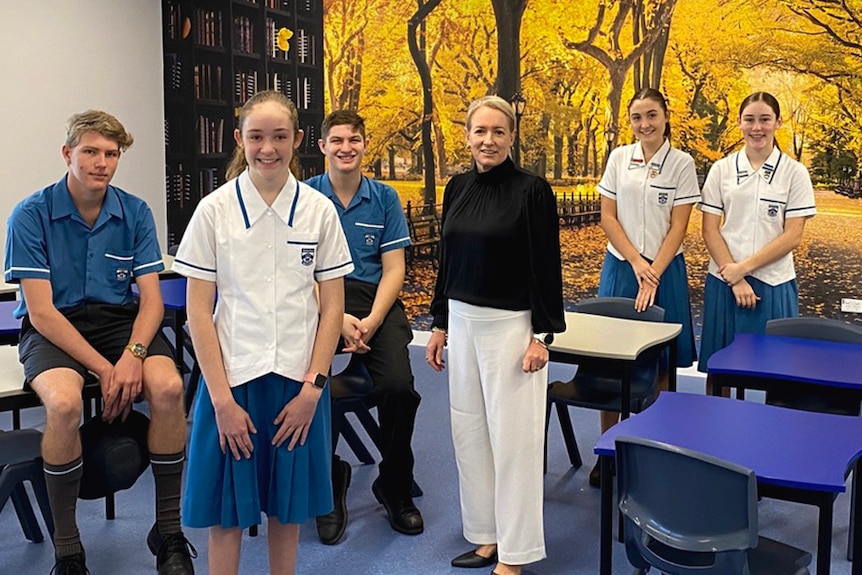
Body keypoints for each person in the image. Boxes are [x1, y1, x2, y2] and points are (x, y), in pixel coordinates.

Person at [4, 110, 195, 575]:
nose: (101, 162)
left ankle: (168, 531)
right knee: (66, 404)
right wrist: (107, 370)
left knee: (169, 390)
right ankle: (68, 550)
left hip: (117, 323)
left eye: (111, 154)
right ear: (68, 154)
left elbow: (151, 302)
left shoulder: (134, 211)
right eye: (90, 151)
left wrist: (131, 356)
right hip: (55, 327)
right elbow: (43, 312)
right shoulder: (31, 214)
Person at [173, 91, 353, 575]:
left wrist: (314, 390)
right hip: (230, 382)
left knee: (287, 510)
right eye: (256, 137)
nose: (267, 148)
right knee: (225, 516)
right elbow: (197, 313)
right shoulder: (214, 211)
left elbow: (332, 307)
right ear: (239, 139)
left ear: (297, 140)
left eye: (279, 137)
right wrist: (222, 402)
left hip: (297, 384)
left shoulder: (318, 211)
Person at [426, 95, 565, 575]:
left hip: (512, 329)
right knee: (470, 435)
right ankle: (485, 535)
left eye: (498, 132)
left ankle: (516, 551)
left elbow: (546, 265)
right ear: (467, 136)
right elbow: (448, 262)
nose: (488, 140)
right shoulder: (458, 187)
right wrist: (440, 322)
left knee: (514, 443)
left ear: (511, 137)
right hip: (462, 325)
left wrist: (541, 337)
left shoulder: (533, 190)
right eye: (479, 131)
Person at [305, 110, 423, 544]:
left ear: (364, 144)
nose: (345, 148)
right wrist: (335, 317)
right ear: (322, 146)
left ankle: (393, 485)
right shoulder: (305, 197)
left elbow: (394, 269)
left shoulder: (386, 198)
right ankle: (328, 483)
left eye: (353, 139)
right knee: (311, 386)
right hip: (321, 299)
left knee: (398, 387)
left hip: (375, 304)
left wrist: (371, 321)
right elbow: (301, 270)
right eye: (336, 140)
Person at [589, 88, 700, 487]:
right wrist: (637, 263)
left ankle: (655, 445)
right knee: (609, 359)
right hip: (622, 267)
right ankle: (607, 450)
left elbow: (680, 225)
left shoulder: (682, 164)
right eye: (637, 117)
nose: (645, 125)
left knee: (660, 363)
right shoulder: (620, 158)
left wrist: (654, 270)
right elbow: (608, 216)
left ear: (666, 116)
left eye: (651, 115)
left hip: (665, 270)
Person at [698, 91, 816, 375]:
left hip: (773, 284)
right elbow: (709, 229)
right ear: (739, 122)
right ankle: (718, 421)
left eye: (765, 119)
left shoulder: (795, 173)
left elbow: (792, 236)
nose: (757, 127)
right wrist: (734, 276)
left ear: (778, 122)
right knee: (719, 372)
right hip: (724, 282)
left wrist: (744, 269)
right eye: (749, 119)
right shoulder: (721, 170)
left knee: (777, 373)